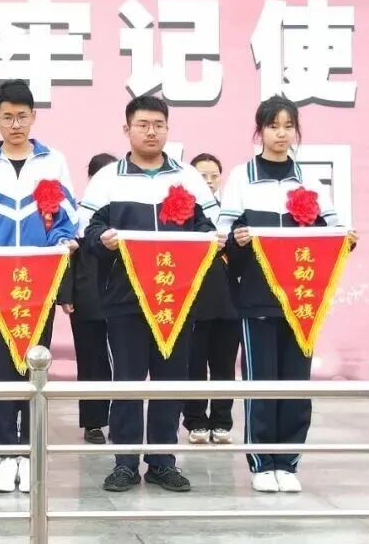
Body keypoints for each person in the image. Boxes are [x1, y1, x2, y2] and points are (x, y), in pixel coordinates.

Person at [218, 94, 357, 494]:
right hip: (257, 297)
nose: (281, 134)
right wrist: (239, 239)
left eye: (288, 126)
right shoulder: (242, 177)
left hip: (302, 300)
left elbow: (333, 232)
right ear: (259, 131)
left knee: (296, 383)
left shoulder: (308, 181)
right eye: (273, 126)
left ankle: (288, 462)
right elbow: (222, 238)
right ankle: (262, 463)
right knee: (261, 382)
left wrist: (346, 239)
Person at [80, 95, 220, 494]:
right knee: (126, 381)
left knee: (170, 381)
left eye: (159, 124)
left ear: (168, 128)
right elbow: (87, 229)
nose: (151, 131)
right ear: (127, 129)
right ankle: (125, 463)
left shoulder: (188, 178)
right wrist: (101, 240)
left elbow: (209, 228)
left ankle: (162, 461)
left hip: (177, 298)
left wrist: (204, 238)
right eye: (142, 124)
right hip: (125, 299)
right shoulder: (108, 179)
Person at [0, 79, 78, 494]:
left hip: (40, 280)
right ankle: (6, 454)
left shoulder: (53, 162)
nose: (15, 124)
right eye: (7, 117)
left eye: (22, 116)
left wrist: (62, 243)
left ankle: (30, 454)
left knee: (35, 365)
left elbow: (65, 218)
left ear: (34, 117)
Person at [182, 153, 240, 446]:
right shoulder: (184, 213)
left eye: (214, 176)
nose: (208, 181)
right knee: (193, 364)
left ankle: (222, 421)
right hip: (193, 301)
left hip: (230, 302)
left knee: (224, 366)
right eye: (202, 176)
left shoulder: (233, 211)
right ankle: (195, 421)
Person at [60, 152, 117, 446]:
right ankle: (93, 422)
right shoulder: (77, 214)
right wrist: (66, 294)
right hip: (86, 298)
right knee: (91, 360)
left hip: (120, 298)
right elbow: (66, 257)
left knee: (122, 362)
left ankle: (119, 419)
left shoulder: (123, 212)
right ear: (91, 179)